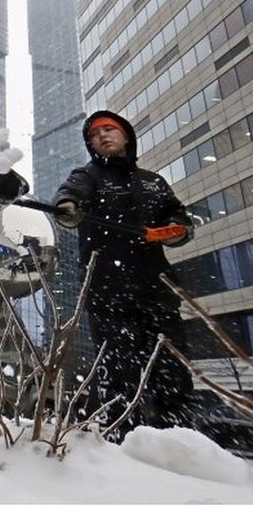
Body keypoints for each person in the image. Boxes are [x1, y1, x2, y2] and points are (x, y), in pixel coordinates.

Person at [52, 110, 195, 442]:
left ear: (125, 136)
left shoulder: (152, 181)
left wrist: (178, 230)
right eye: (93, 135)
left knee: (173, 374)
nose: (101, 136)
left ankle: (180, 444)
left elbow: (177, 215)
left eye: (108, 130)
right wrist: (68, 209)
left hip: (158, 294)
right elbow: (69, 195)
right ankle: (119, 445)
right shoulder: (87, 176)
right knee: (119, 376)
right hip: (109, 296)